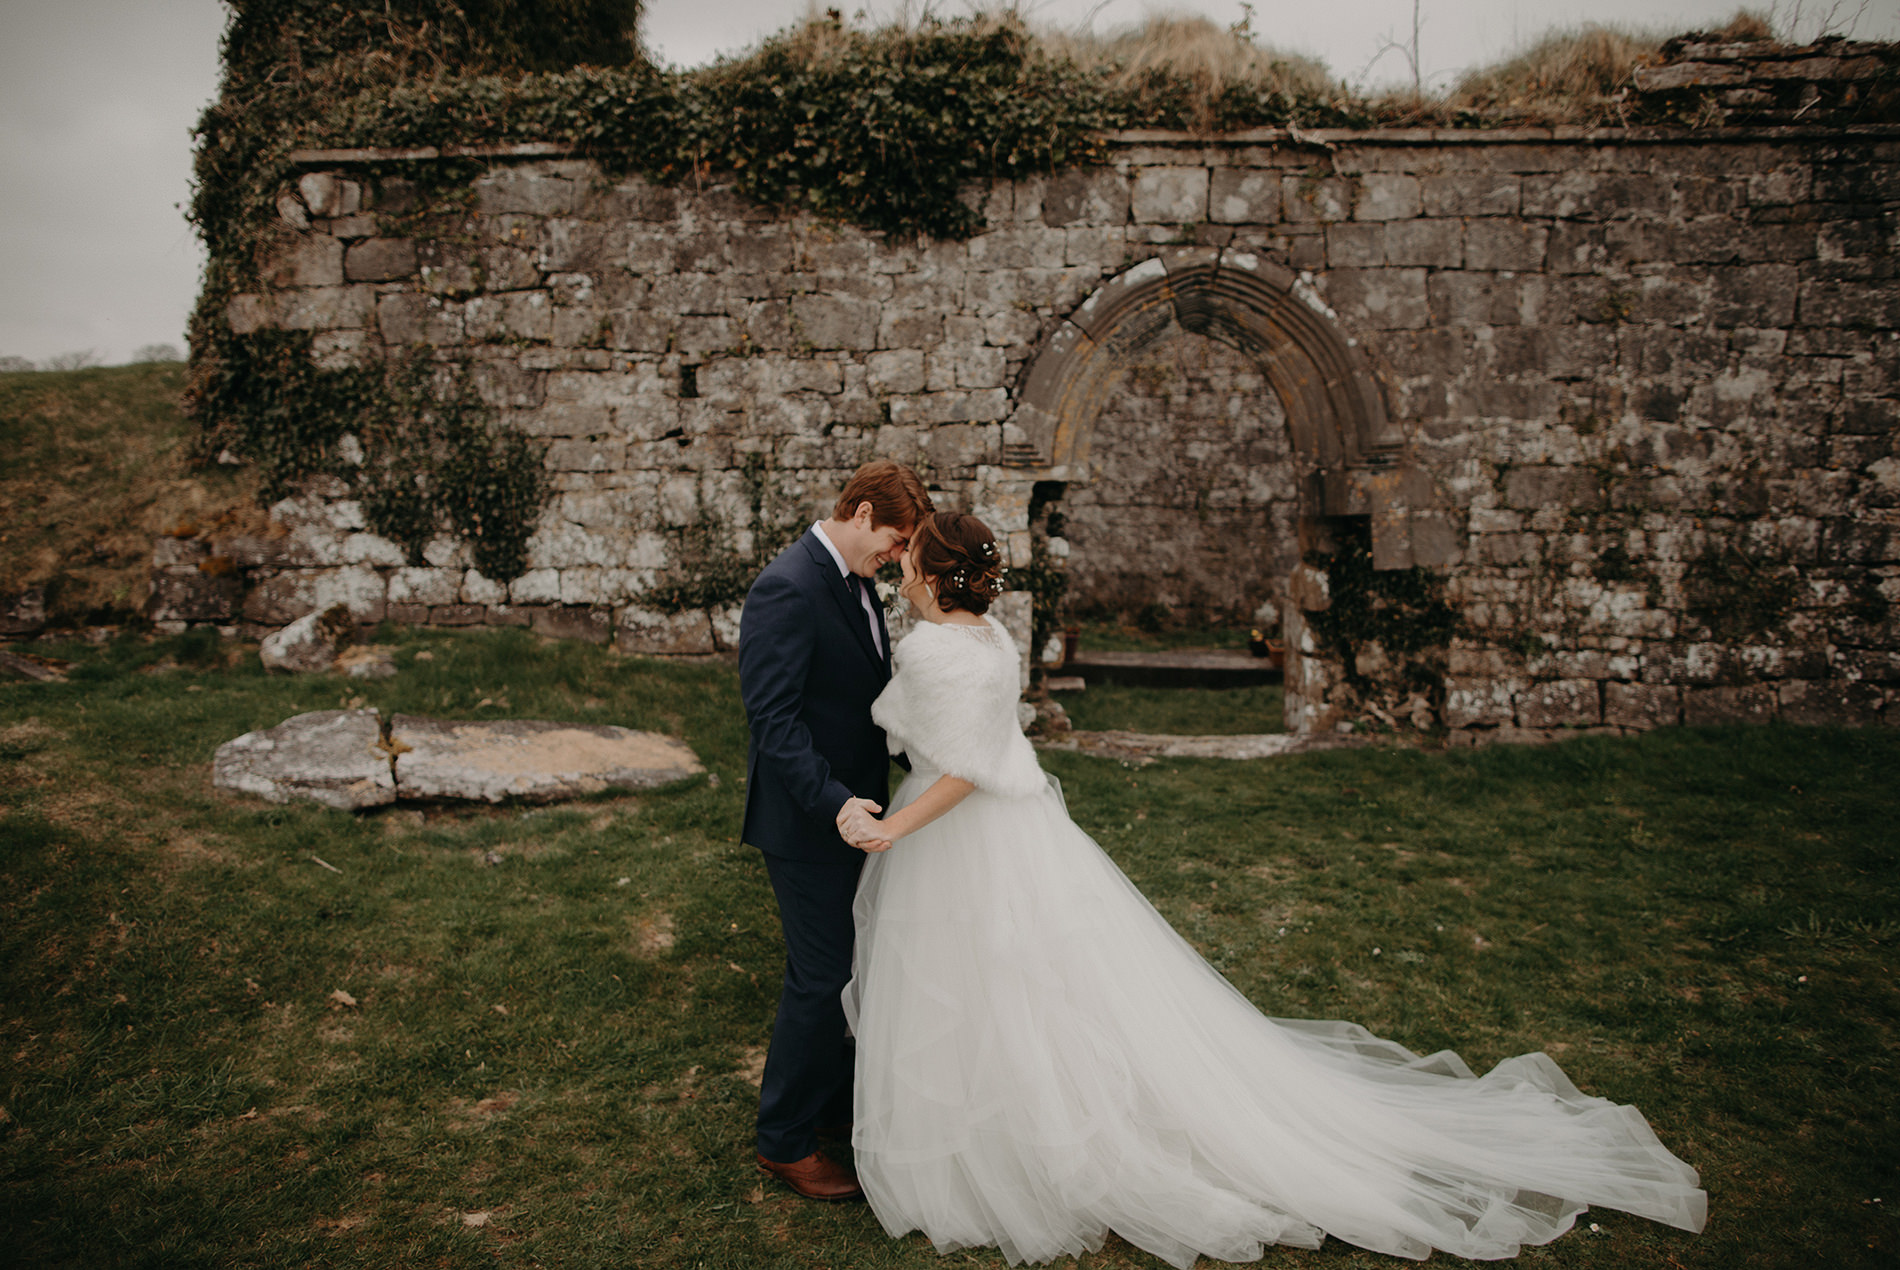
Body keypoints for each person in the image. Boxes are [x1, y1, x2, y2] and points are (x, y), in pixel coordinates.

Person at [838, 510, 1707, 1266]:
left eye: (911, 559)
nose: (903, 567)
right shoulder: (987, 637)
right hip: (1020, 829)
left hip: (959, 829)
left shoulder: (944, 652)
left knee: (984, 983)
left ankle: (999, 1146)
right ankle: (1014, 1124)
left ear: (929, 572)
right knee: (1026, 985)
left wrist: (890, 828)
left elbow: (959, 772)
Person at [738, 459, 934, 1202]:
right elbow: (775, 723)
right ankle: (782, 1142)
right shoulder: (786, 587)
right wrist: (836, 803)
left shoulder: (855, 583)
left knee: (849, 968)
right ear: (857, 511)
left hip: (857, 814)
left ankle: (824, 1103)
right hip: (808, 818)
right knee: (821, 977)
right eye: (893, 537)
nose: (896, 553)